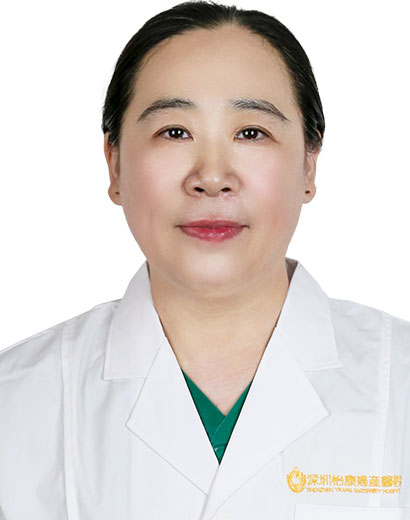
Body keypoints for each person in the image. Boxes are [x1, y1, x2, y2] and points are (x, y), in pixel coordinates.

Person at [0, 1, 409, 518]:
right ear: (115, 164)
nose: (212, 176)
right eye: (174, 132)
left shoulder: (399, 380)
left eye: (251, 133)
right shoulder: (14, 401)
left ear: (309, 165)